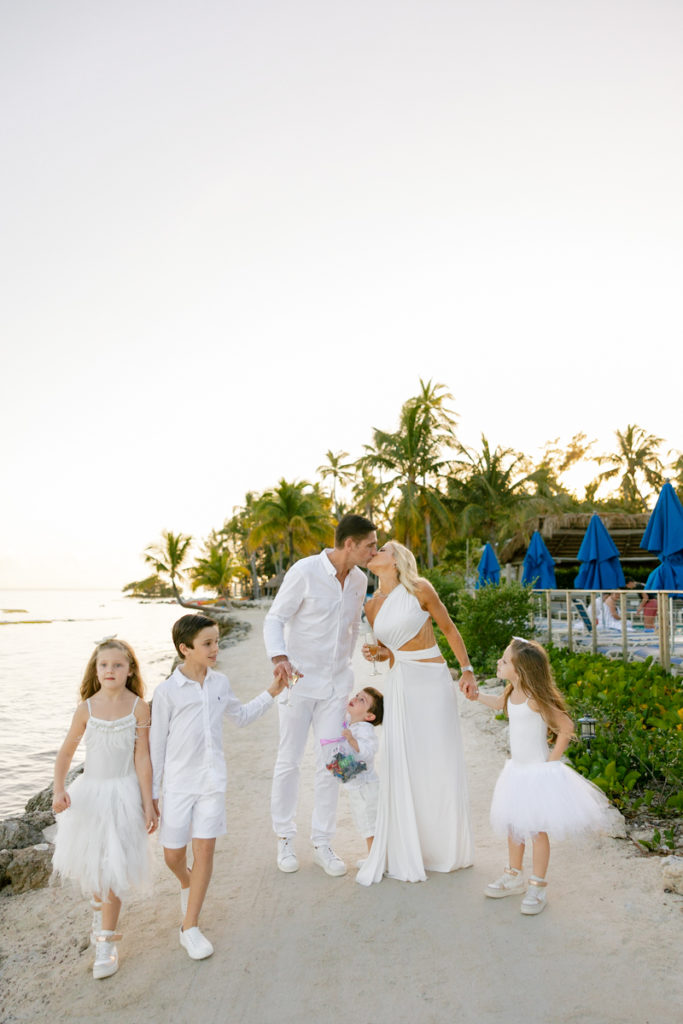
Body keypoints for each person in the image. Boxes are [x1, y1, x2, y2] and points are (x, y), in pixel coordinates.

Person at [150, 614, 285, 960]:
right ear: (185, 649)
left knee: (205, 853)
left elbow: (241, 717)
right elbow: (156, 746)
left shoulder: (220, 683)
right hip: (178, 786)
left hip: (212, 783)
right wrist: (151, 796)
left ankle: (189, 926)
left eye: (217, 641)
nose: (215, 649)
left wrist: (273, 691)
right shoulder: (166, 692)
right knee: (172, 856)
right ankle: (186, 881)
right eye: (207, 643)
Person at [356, 540, 476, 886]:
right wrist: (376, 654)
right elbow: (389, 654)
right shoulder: (371, 606)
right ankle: (413, 846)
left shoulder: (420, 589)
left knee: (439, 758)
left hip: (432, 680)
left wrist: (466, 670)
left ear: (396, 560)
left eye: (382, 549)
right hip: (400, 682)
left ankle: (444, 848)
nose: (374, 552)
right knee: (405, 761)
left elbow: (449, 629)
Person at [264, 513, 377, 877]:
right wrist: (279, 656)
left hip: (336, 689)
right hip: (298, 684)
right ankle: (284, 838)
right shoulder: (305, 571)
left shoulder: (360, 580)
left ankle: (322, 842)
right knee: (289, 761)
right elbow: (274, 618)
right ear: (349, 544)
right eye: (369, 545)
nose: (374, 551)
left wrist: (361, 651)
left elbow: (354, 624)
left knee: (331, 763)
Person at [474, 636, 611, 915]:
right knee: (514, 825)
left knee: (535, 830)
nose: (499, 663)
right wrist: (476, 695)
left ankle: (538, 885)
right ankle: (514, 875)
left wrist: (552, 762)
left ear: (521, 669)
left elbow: (566, 726)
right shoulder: (511, 692)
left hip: (537, 773)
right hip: (516, 772)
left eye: (504, 660)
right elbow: (498, 704)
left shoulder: (535, 699)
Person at [51, 638, 158, 980]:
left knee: (113, 870)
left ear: (130, 670)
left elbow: (142, 758)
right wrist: (59, 789)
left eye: (117, 665)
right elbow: (66, 753)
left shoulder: (139, 707)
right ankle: (101, 911)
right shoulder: (87, 708)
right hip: (91, 796)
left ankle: (107, 942)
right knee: (95, 867)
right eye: (103, 665)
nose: (110, 670)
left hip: (124, 795)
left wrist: (147, 803)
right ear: (95, 670)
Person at [337, 687, 383, 857]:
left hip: (366, 787)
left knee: (370, 825)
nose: (355, 699)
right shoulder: (353, 722)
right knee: (364, 823)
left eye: (362, 700)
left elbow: (368, 752)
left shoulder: (365, 729)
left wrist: (351, 739)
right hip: (357, 787)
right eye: (357, 696)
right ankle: (375, 858)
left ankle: (375, 860)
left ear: (369, 716)